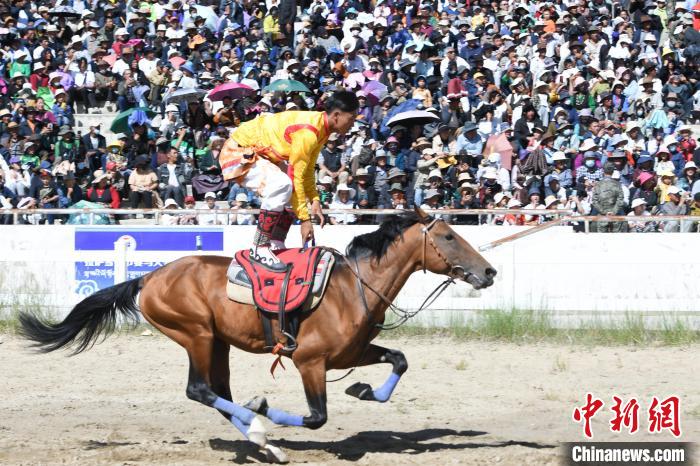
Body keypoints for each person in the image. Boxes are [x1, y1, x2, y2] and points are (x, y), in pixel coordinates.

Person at [220, 90, 359, 272]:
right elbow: (295, 177)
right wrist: (305, 219)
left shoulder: (321, 129)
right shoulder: (309, 133)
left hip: (259, 153)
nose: (353, 124)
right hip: (238, 152)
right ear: (337, 115)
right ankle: (259, 247)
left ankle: (275, 242)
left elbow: (308, 170)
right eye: (351, 118)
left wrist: (314, 199)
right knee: (283, 184)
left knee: (289, 188)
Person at [591, 162, 626, 233]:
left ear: (603, 170)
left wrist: (604, 212)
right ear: (613, 171)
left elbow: (594, 201)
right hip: (615, 216)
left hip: (602, 216)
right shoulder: (617, 184)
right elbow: (620, 200)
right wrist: (613, 212)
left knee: (602, 238)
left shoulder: (598, 185)